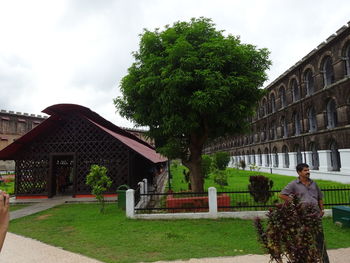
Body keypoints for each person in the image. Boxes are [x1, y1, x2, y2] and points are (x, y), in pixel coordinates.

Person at [279, 163, 329, 263]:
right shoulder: (293, 184)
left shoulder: (314, 183)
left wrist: (322, 210)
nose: (308, 172)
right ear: (299, 172)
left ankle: (325, 261)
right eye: (305, 170)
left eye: (308, 170)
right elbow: (282, 195)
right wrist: (294, 202)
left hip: (315, 215)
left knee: (319, 239)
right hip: (302, 216)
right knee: (303, 239)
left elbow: (320, 198)